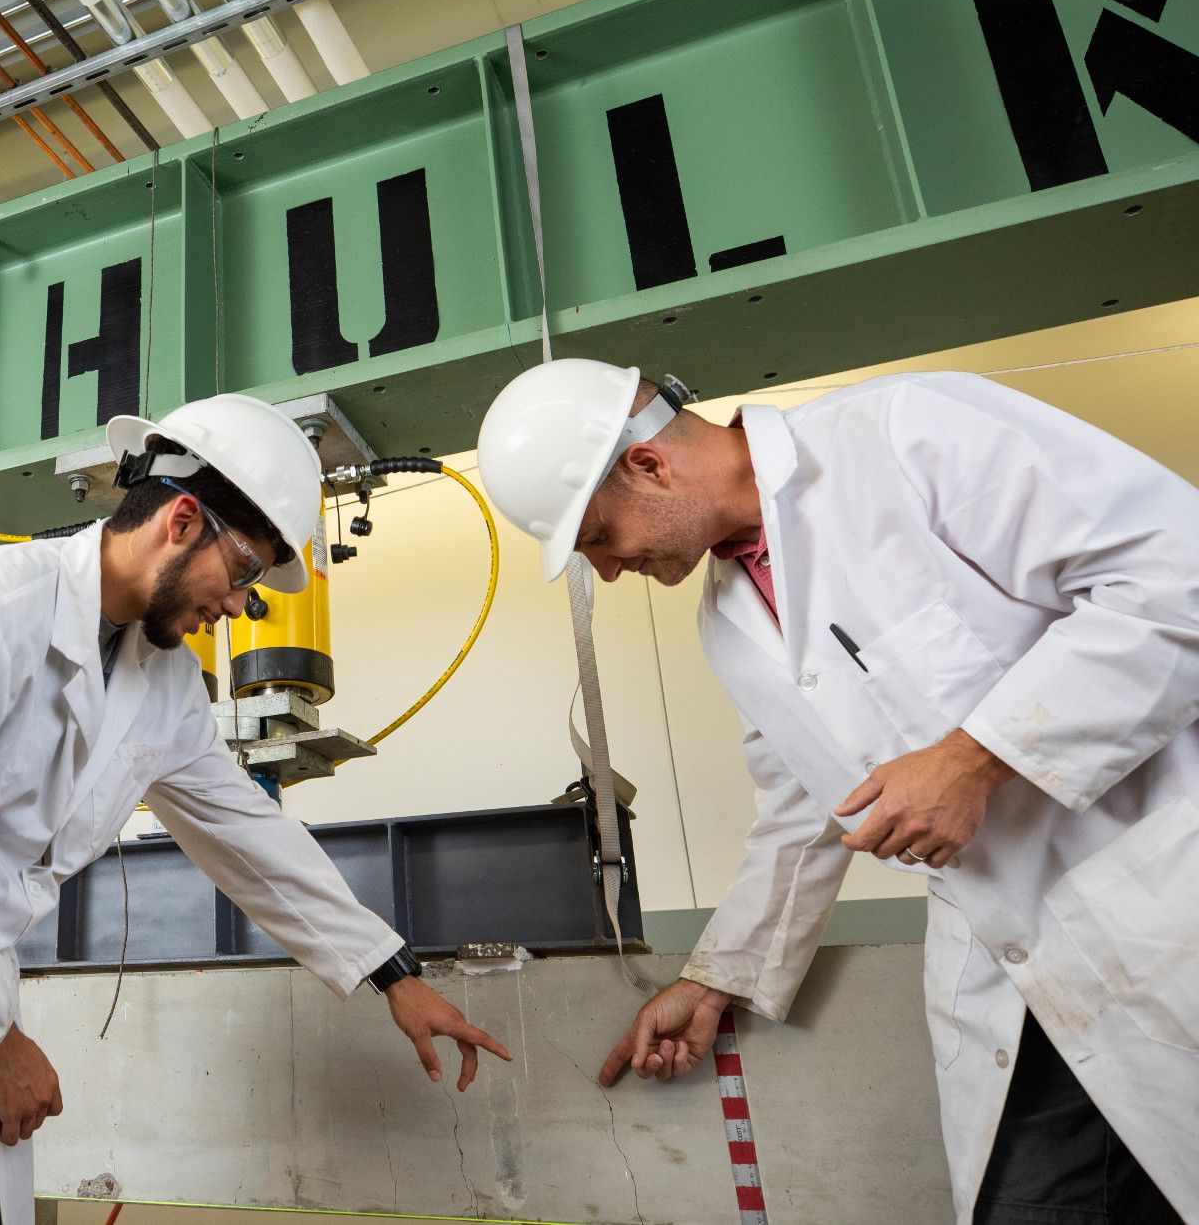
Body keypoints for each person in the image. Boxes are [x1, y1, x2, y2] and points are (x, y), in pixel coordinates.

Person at [0, 393, 512, 1225]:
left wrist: (391, 971)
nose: (240, 605)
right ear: (179, 520)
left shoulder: (160, 678)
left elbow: (244, 831)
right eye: (242, 570)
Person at [475, 358, 1199, 1224]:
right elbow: (803, 808)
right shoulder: (727, 618)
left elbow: (1174, 577)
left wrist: (977, 757)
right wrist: (716, 979)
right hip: (1013, 969)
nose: (615, 568)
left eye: (598, 537)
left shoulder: (905, 432)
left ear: (649, 465)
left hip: (1159, 905)